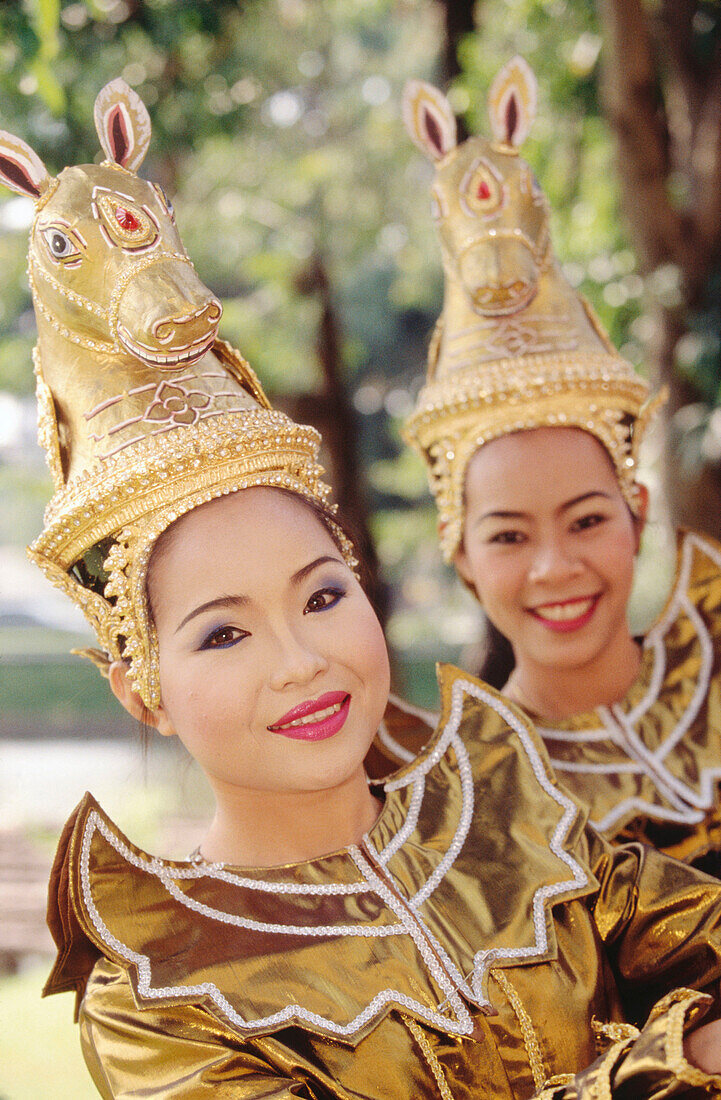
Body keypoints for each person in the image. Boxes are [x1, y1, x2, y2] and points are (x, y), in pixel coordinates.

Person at [8, 77, 721, 1099]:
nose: (301, 659)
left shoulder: (523, 822)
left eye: (322, 595)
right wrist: (671, 1065)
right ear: (139, 683)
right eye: (221, 635)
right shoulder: (160, 1002)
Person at [402, 57, 721, 876]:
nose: (555, 568)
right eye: (508, 536)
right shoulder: (470, 812)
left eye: (586, 520)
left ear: (638, 511)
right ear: (460, 552)